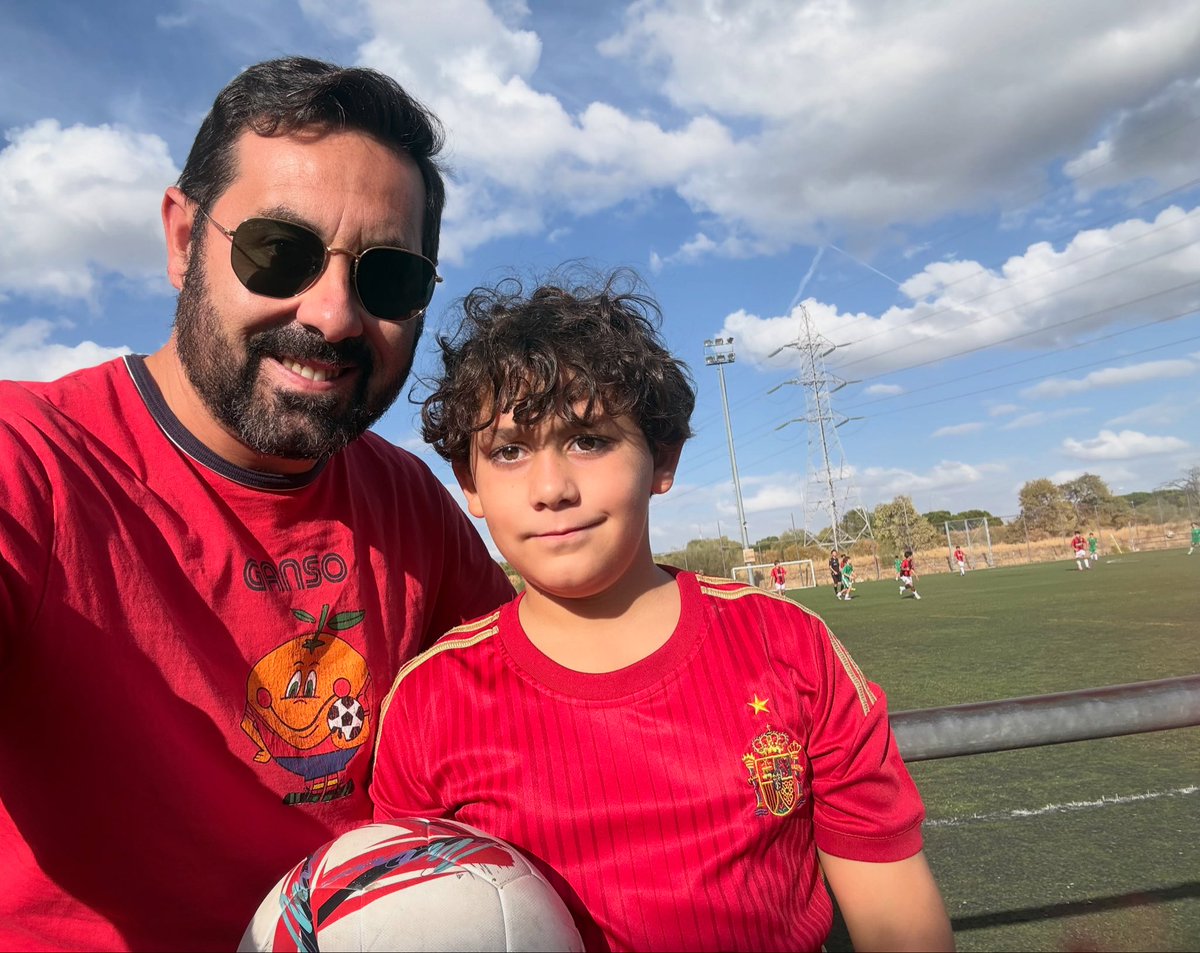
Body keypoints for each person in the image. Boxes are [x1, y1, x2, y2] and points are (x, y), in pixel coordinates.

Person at [0, 57, 514, 952]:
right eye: (281, 251)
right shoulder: (35, 461)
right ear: (182, 238)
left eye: (388, 279)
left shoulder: (409, 504)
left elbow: (541, 707)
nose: (333, 313)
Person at [371, 272, 955, 953]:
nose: (551, 488)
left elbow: (899, 920)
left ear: (663, 458)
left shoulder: (789, 645)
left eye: (589, 439)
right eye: (509, 451)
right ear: (469, 484)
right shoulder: (428, 700)